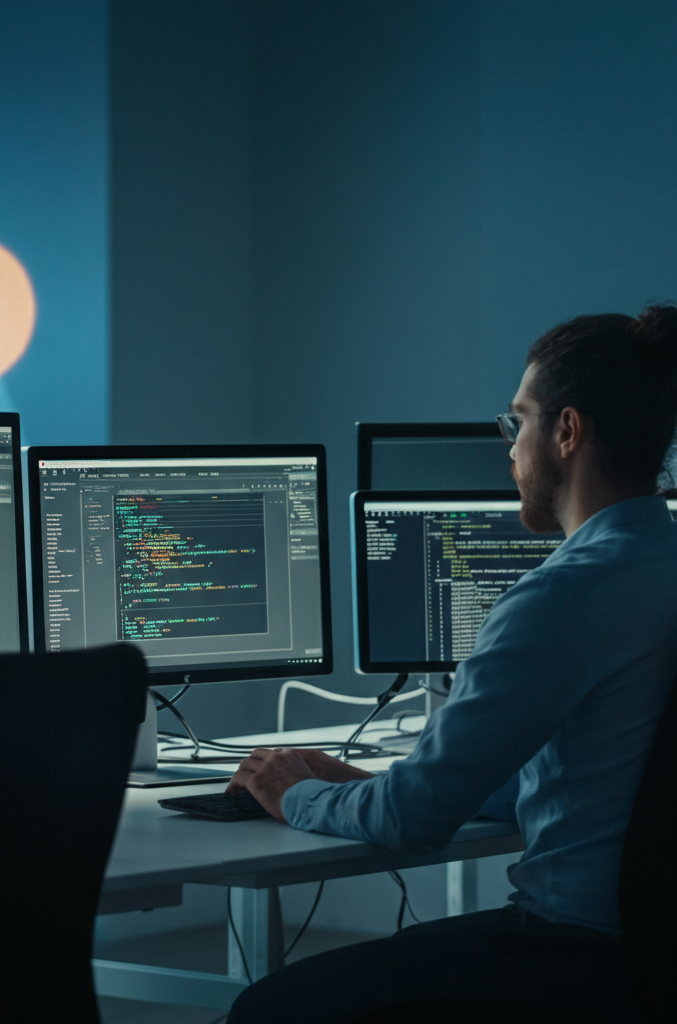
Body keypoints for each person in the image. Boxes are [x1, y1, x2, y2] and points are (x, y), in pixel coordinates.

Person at [225, 306, 677, 1023]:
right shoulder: (659, 567)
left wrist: (293, 793)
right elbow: (608, 773)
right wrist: (390, 780)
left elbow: (410, 822)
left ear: (566, 431)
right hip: (655, 959)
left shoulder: (564, 595)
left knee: (264, 1008)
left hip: (571, 959)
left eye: (516, 422)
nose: (510, 450)